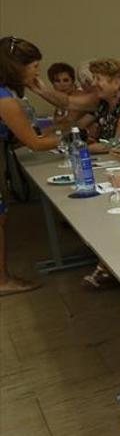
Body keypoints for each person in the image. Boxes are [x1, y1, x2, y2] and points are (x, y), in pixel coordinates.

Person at [0, 36, 58, 296]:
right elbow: (34, 143)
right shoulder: (5, 99)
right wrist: (72, 137)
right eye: (34, 66)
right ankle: (2, 280)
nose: (37, 72)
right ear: (16, 66)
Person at [29, 58, 120, 154]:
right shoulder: (103, 103)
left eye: (98, 79)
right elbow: (68, 103)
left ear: (116, 83)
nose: (93, 84)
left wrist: (79, 148)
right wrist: (41, 90)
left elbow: (116, 145)